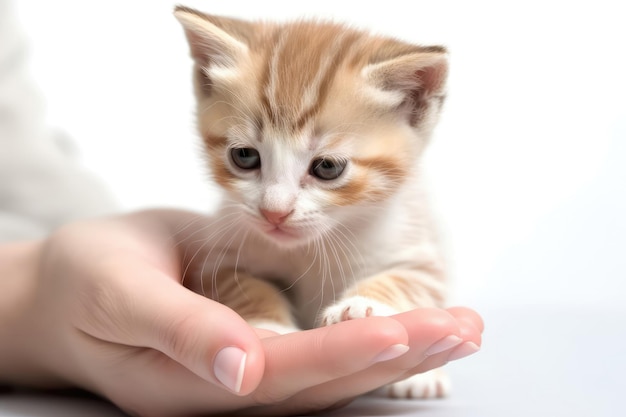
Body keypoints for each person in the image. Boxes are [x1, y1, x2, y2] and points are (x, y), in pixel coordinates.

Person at [0, 2, 483, 416]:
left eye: (327, 167)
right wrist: (261, 318)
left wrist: (385, 305)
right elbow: (228, 270)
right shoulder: (238, 231)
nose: (276, 205)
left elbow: (419, 272)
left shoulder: (399, 220)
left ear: (415, 104)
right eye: (245, 157)